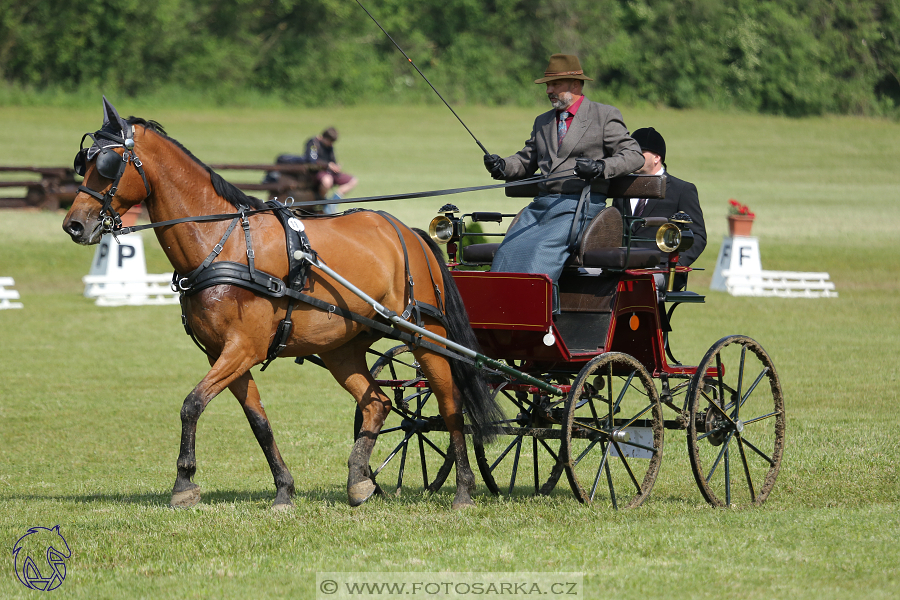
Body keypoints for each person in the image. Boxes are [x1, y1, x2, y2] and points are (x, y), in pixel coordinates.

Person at [482, 54, 644, 282]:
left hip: (580, 207)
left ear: (575, 84)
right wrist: (502, 166)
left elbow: (634, 156)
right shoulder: (543, 121)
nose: (548, 90)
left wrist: (600, 167)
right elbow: (526, 159)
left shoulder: (604, 116)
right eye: (548, 85)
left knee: (538, 251)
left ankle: (537, 311)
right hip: (541, 208)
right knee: (506, 252)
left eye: (554, 84)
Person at [611, 127, 707, 272]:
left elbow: (697, 235)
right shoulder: (622, 187)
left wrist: (675, 266)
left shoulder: (682, 190)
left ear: (657, 158)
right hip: (621, 268)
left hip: (660, 270)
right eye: (631, 153)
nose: (632, 157)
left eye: (639, 153)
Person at [304, 127, 358, 214]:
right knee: (327, 180)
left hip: (330, 172)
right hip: (317, 172)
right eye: (330, 141)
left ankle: (333, 202)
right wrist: (327, 165)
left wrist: (336, 166)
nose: (331, 144)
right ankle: (324, 203)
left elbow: (332, 159)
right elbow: (312, 161)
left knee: (352, 180)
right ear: (324, 138)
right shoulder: (313, 143)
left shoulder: (329, 146)